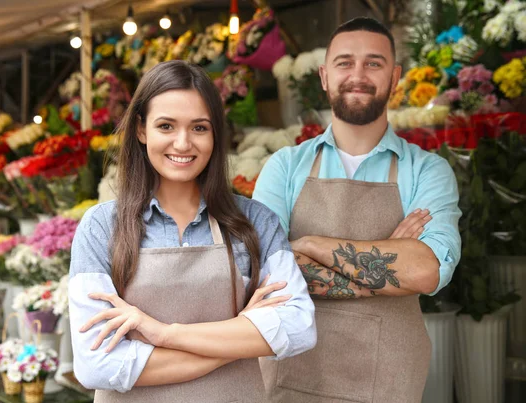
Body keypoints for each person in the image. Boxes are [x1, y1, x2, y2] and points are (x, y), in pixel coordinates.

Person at [68, 60, 316, 403]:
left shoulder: (255, 222)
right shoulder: (101, 228)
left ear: (216, 133)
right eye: (166, 126)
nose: (183, 143)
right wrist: (240, 334)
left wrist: (163, 335)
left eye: (199, 128)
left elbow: (299, 327)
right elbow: (97, 365)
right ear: (141, 130)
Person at [252, 17, 461, 403]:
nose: (358, 75)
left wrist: (309, 244)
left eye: (374, 63)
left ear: (395, 76)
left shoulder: (428, 170)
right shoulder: (285, 166)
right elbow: (267, 274)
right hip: (291, 375)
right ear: (324, 76)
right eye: (345, 62)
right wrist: (385, 261)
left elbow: (425, 270)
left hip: (388, 378)